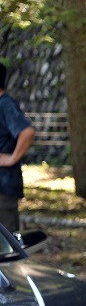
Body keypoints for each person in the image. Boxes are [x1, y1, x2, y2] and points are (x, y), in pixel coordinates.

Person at [0, 63, 36, 234]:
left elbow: (26, 131)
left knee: (6, 250)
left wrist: (12, 157)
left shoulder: (6, 105)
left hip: (3, 188)